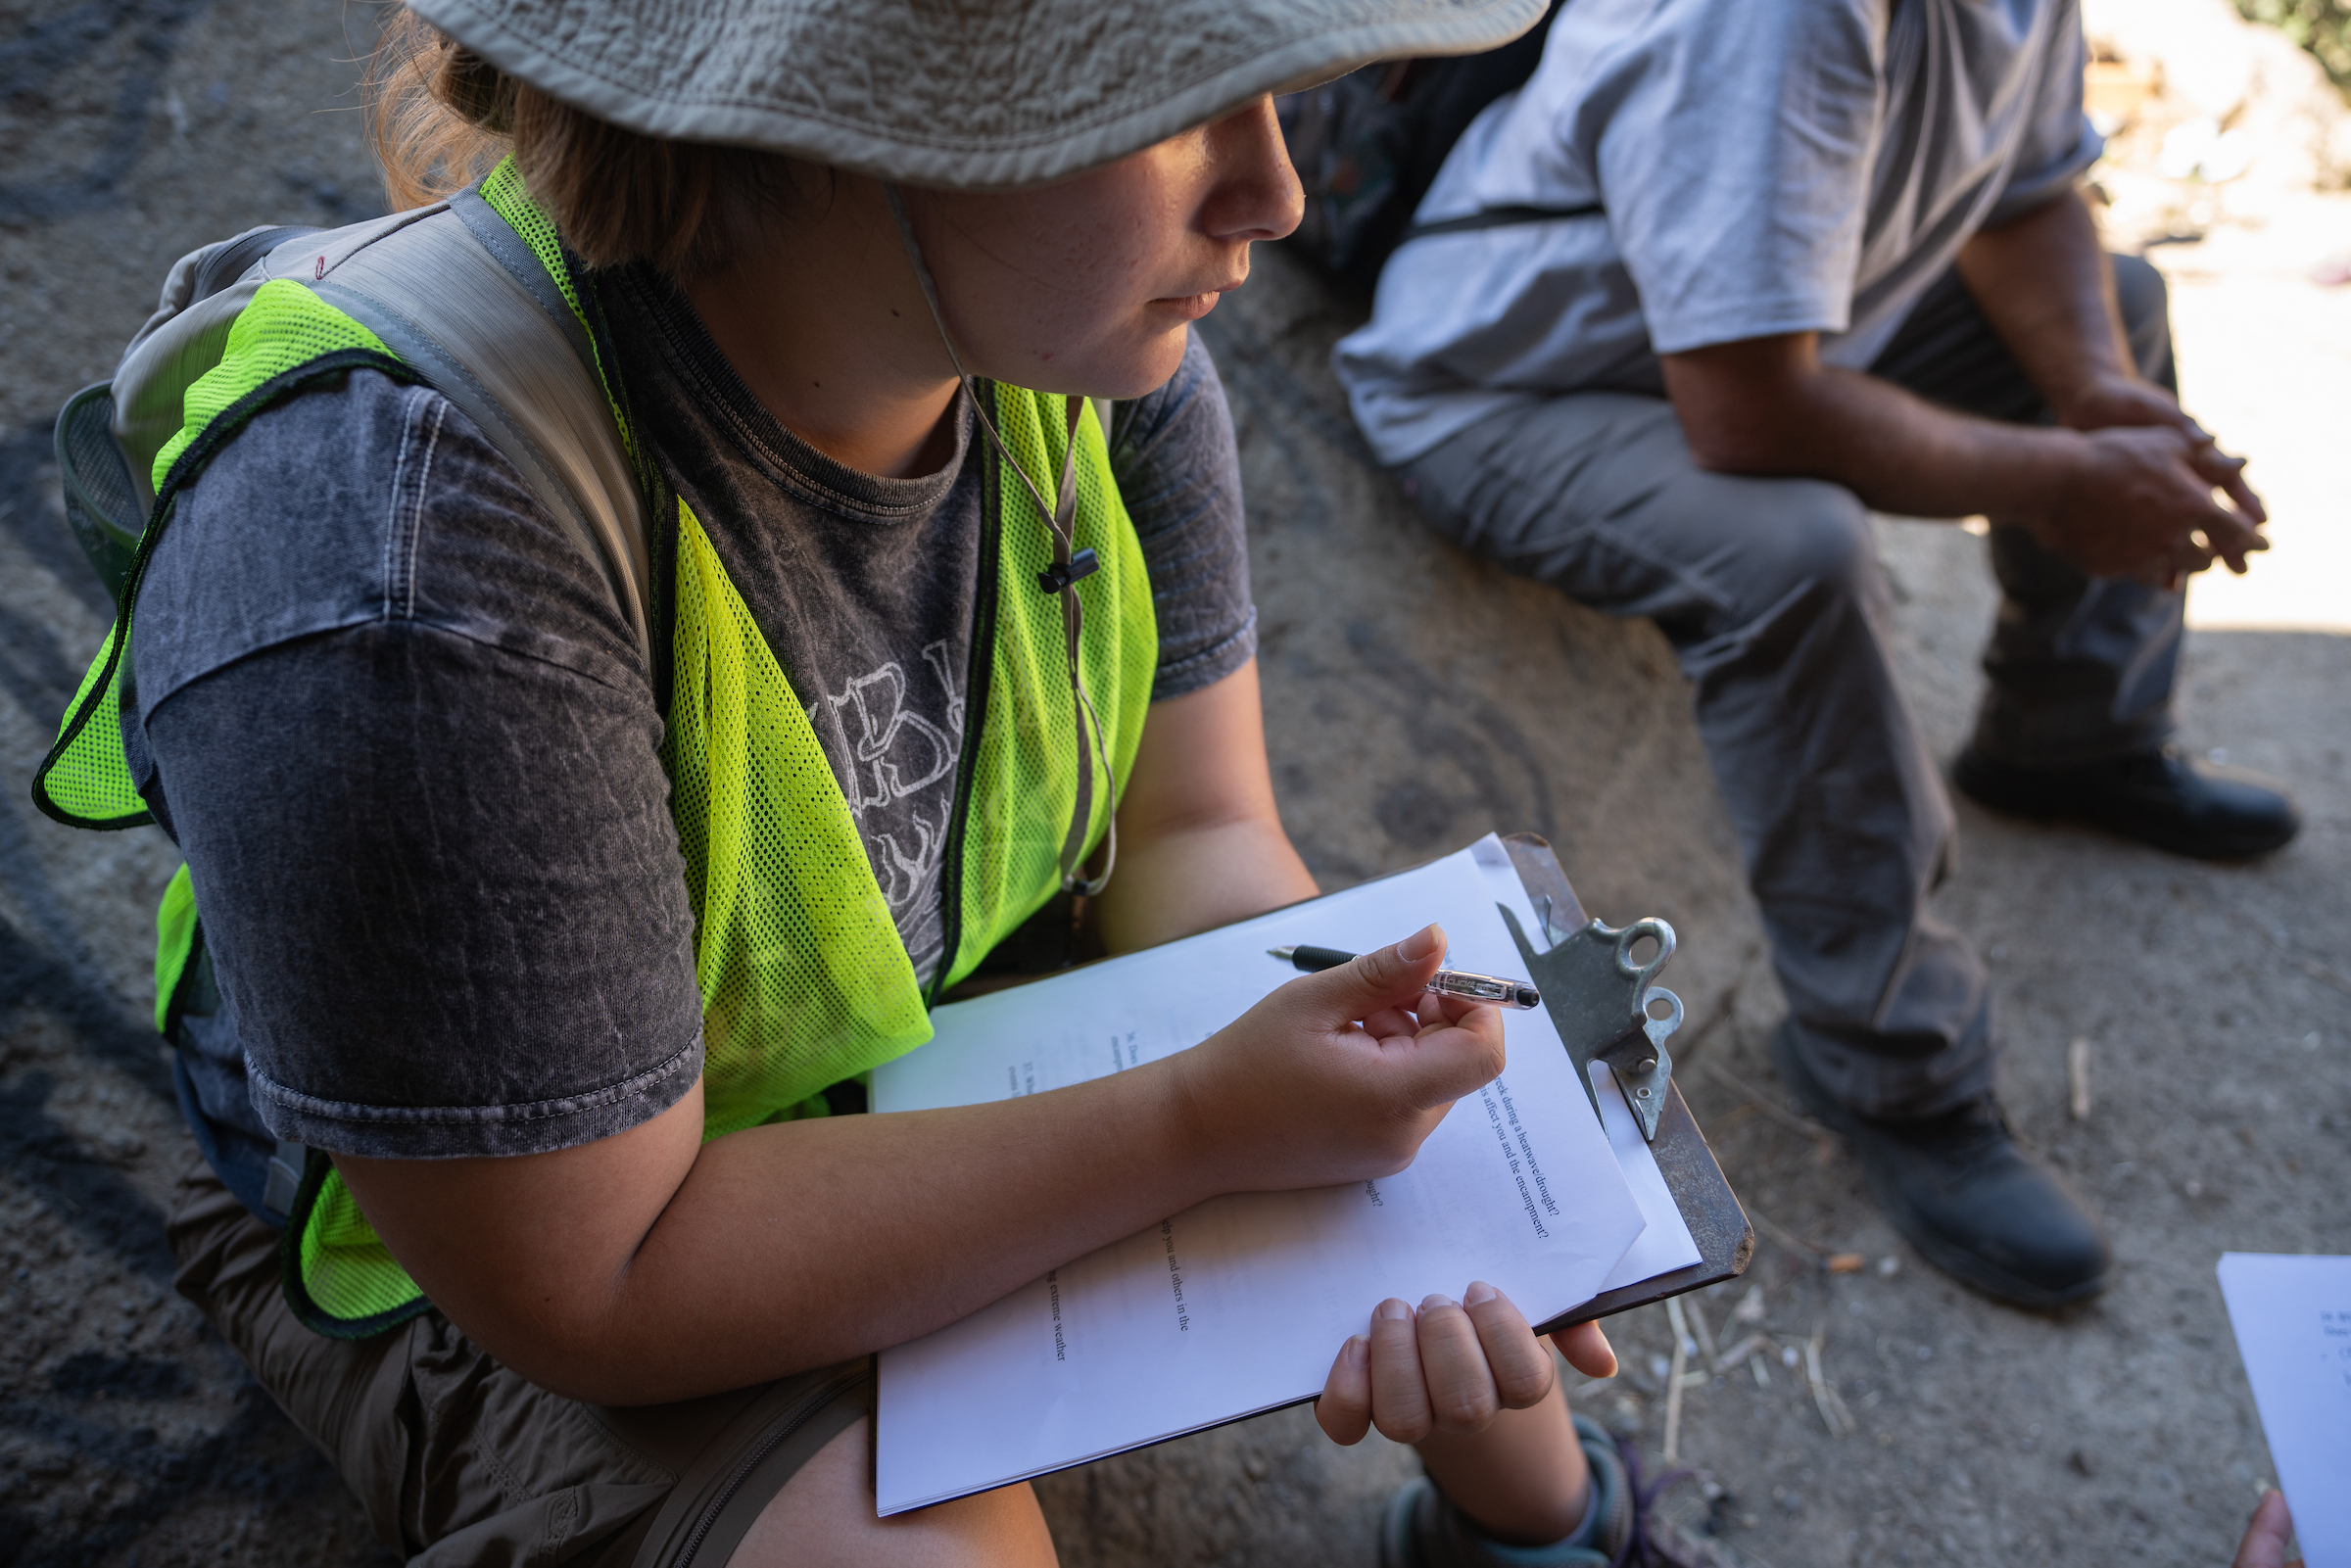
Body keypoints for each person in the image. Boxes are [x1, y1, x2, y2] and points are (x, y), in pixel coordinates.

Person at [31, 0, 1661, 1560]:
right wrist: (1195, 1118)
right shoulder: (404, 563)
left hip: (906, 1012)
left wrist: (1404, 1113)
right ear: (848, 124)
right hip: (496, 1227)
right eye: (1166, 107)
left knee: (1465, 1235)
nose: (1277, 195)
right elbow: (596, 1276)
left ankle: (1544, 1536)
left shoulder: (1086, 346)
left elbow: (1201, 834)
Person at [1331, 0, 2302, 1310]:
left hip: (1771, 338)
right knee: (1794, 551)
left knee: (2120, 304)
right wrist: (2066, 478)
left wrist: (2092, 397)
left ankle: (2073, 734)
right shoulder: (1779, 17)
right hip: (1505, 386)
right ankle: (1890, 1059)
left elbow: (2027, 194)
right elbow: (1746, 408)